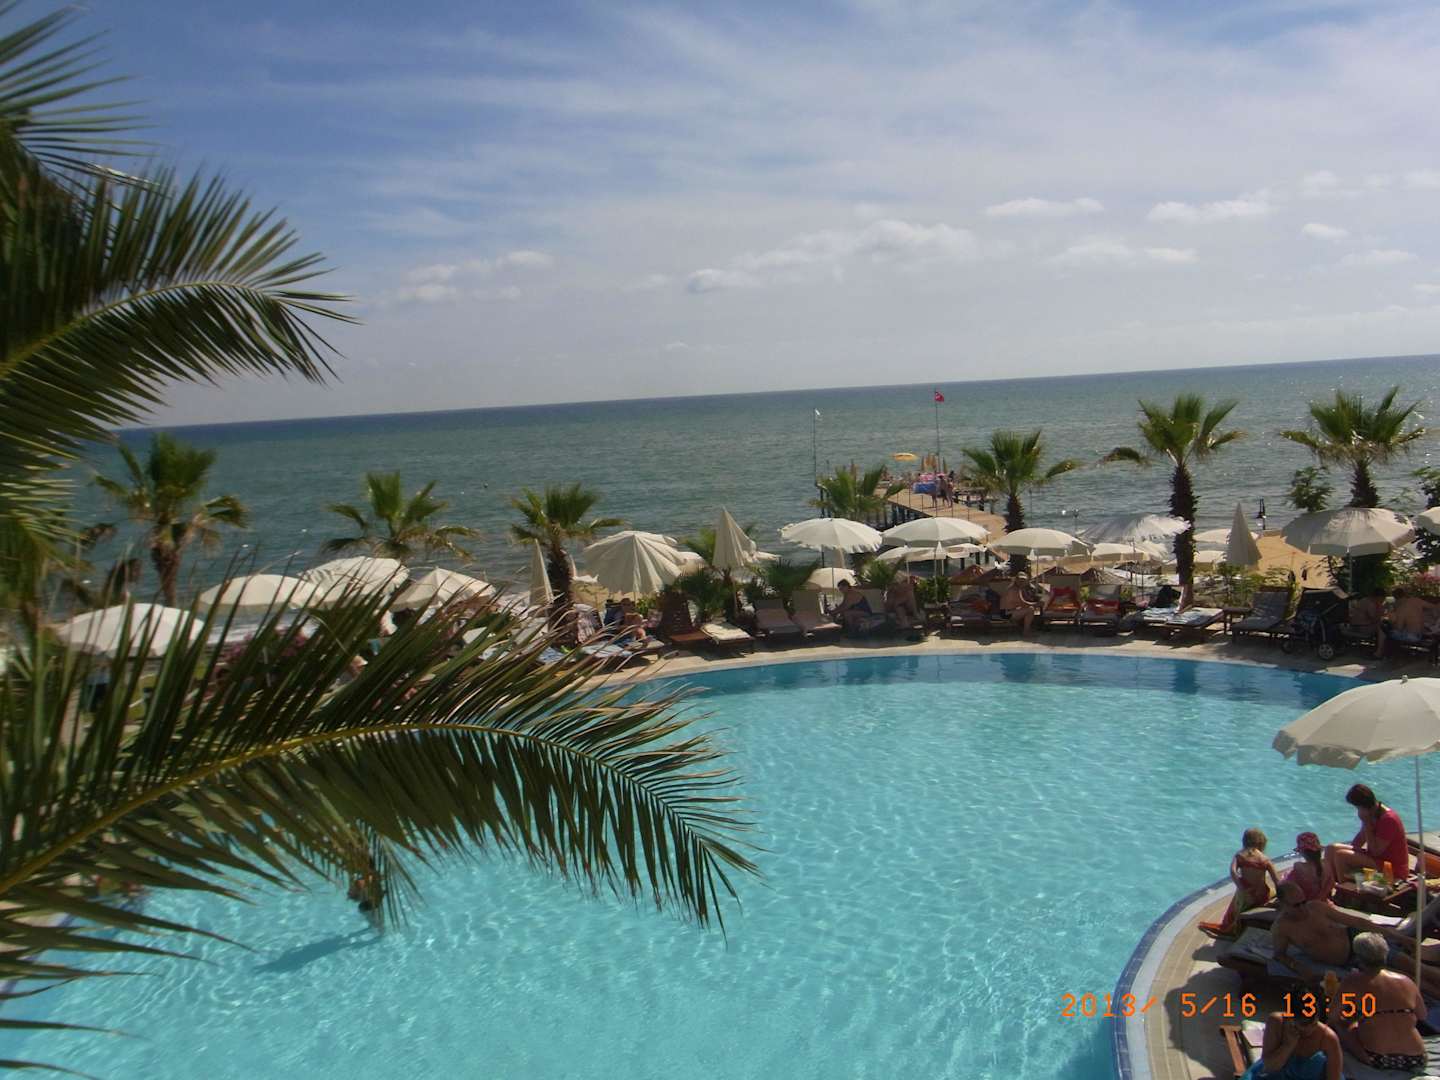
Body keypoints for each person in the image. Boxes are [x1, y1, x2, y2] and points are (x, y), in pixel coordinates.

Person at [1269, 882, 1410, 981]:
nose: (1302, 908)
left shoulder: (1316, 907)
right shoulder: (1282, 928)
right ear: (1283, 904)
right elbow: (1279, 955)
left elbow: (1357, 922)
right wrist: (1298, 967)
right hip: (1349, 963)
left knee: (1411, 965)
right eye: (1296, 905)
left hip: (1358, 940)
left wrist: (1401, 938)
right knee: (1399, 978)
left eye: (1303, 902)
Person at [1330, 932, 1427, 1075]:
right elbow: (1422, 1015)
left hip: (1379, 1058)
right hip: (1416, 1058)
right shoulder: (1406, 980)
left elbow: (1333, 1016)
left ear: (1358, 957)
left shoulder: (1352, 981)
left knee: (1344, 1026)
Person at [1323, 784, 1409, 892]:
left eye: (1358, 807)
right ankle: (1328, 885)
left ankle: (1344, 892)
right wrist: (1352, 855)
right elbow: (1359, 840)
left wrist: (1366, 822)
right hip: (1377, 859)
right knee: (1331, 848)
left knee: (1341, 856)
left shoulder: (1388, 820)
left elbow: (1375, 851)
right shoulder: (1373, 814)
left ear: (1363, 805)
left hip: (1392, 868)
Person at [1201, 828, 1282, 938]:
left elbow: (1233, 871)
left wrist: (1241, 887)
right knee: (1272, 891)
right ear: (1262, 842)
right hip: (1261, 895)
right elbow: (1277, 881)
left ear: (1244, 841)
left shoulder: (1239, 856)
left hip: (1245, 894)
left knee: (1234, 906)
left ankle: (1230, 926)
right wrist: (1281, 898)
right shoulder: (1265, 859)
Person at [1241, 1009, 1343, 1080]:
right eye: (1302, 1025)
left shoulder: (1328, 1038)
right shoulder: (1277, 1022)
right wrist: (1288, 1046)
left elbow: (1334, 1078)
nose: (1308, 1030)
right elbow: (1270, 1067)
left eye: (1313, 1024)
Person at [1376, 588, 1429, 659]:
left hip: (1412, 637)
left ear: (1395, 598)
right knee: (1387, 629)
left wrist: (1391, 622)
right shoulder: (1414, 602)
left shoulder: (1402, 608)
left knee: (1383, 629)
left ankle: (1379, 653)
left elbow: (1399, 628)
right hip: (1419, 634)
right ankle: (1384, 652)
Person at [1286, 832, 1328, 901]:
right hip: (1323, 900)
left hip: (1306, 902)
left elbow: (1291, 887)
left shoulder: (1299, 866)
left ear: (1302, 852)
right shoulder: (1326, 866)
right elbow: (1330, 884)